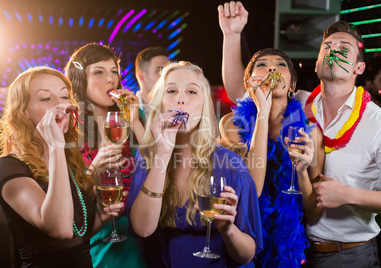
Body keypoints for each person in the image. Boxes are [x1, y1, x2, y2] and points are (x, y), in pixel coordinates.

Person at [125, 61, 263, 268]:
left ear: (204, 104)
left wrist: (228, 230)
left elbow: (246, 255)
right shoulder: (148, 156)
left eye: (191, 92)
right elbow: (142, 229)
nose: (181, 99)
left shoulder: (230, 164)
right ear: (160, 103)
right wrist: (162, 153)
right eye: (171, 91)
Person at [218, 2, 324, 267]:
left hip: (287, 247)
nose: (272, 69)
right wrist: (231, 35)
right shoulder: (233, 125)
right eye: (262, 65)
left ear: (293, 85)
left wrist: (301, 171)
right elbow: (250, 192)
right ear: (250, 82)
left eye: (281, 65)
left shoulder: (311, 134)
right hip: (243, 238)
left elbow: (312, 214)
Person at [0, 66, 120, 267]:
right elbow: (60, 229)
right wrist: (56, 145)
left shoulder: (68, 162)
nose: (61, 106)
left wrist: (99, 219)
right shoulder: (8, 167)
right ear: (24, 111)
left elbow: (74, 236)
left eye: (65, 97)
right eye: (45, 98)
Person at [304, 21, 381, 267]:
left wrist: (348, 194)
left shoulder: (376, 121)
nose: (333, 51)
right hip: (296, 251)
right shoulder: (300, 106)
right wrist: (232, 35)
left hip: (349, 256)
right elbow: (244, 91)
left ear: (359, 67)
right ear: (317, 64)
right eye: (327, 47)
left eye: (344, 47)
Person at [64, 43, 147, 268]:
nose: (111, 80)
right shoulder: (67, 131)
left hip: (141, 232)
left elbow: (159, 162)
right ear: (80, 79)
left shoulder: (131, 117)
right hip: (93, 237)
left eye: (114, 72)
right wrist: (93, 172)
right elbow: (67, 205)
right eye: (99, 72)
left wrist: (135, 121)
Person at [135, 46, 170, 118]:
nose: (167, 76)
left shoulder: (177, 109)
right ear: (142, 77)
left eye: (169, 71)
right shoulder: (126, 113)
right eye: (159, 71)